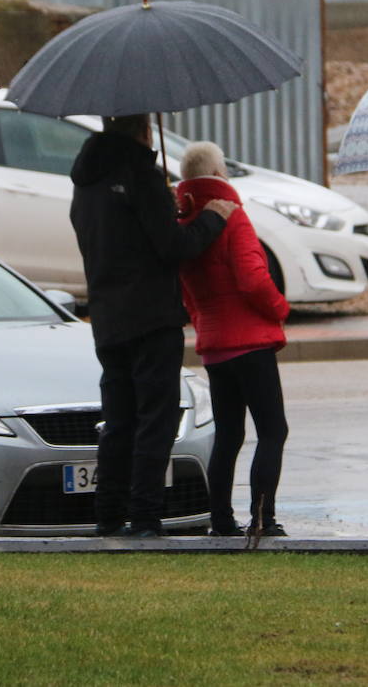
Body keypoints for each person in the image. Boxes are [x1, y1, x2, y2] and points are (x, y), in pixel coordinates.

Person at [69, 114, 236, 538]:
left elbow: (123, 235)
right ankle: (145, 517)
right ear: (145, 128)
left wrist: (163, 210)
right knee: (154, 421)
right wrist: (212, 217)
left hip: (108, 316)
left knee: (119, 420)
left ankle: (107, 515)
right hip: (151, 316)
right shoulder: (141, 175)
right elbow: (173, 247)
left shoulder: (86, 180)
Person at [175, 141, 291, 538]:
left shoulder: (184, 222)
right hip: (251, 343)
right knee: (273, 431)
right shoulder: (233, 216)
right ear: (220, 174)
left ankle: (221, 518)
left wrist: (203, 320)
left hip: (215, 346)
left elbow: (187, 291)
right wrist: (279, 307)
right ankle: (263, 518)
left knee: (228, 434)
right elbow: (252, 278)